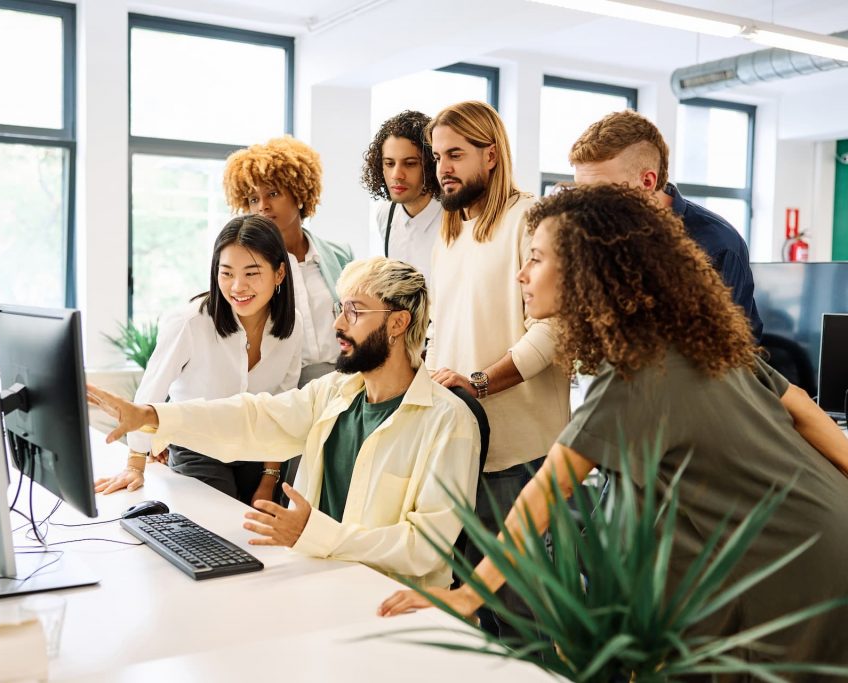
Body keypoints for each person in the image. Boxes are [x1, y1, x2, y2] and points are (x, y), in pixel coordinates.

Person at [378, 184, 848, 671]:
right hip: (826, 525)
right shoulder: (692, 338)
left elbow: (546, 493)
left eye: (536, 258)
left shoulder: (633, 374)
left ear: (587, 272)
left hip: (788, 563)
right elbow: (805, 411)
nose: (521, 272)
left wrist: (468, 598)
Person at [88, 257, 481, 588]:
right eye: (339, 309)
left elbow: (424, 547)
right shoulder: (335, 393)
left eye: (355, 311)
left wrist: (312, 533)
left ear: (398, 323)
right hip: (321, 583)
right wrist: (154, 416)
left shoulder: (450, 422)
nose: (338, 325)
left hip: (392, 606)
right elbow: (252, 418)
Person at [424, 100, 570, 636]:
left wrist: (479, 383)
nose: (443, 168)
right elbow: (441, 330)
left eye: (456, 154)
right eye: (438, 155)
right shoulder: (449, 235)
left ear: (491, 155)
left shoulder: (529, 220)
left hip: (522, 456)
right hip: (464, 450)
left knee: (526, 619)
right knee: (476, 616)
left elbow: (555, 331)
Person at [96, 215, 302, 506]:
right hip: (198, 447)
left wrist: (270, 479)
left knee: (260, 533)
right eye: (227, 273)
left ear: (279, 274)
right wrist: (135, 463)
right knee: (215, 528)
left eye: (252, 273)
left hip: (257, 450)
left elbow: (281, 407)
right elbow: (151, 391)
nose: (237, 286)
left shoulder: (292, 328)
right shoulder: (189, 322)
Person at [569, 109, 763, 339]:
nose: (586, 207)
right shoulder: (599, 235)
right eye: (581, 193)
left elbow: (736, 354)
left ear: (647, 181)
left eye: (600, 192)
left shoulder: (717, 245)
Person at [224, 136, 353, 386]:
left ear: (300, 193)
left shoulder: (340, 256)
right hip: (283, 388)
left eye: (273, 193)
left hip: (345, 380)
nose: (262, 206)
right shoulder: (249, 268)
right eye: (253, 199)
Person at [361, 110, 443, 283]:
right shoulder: (386, 214)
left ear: (430, 165)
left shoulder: (457, 216)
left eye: (410, 163)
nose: (397, 175)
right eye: (389, 163)